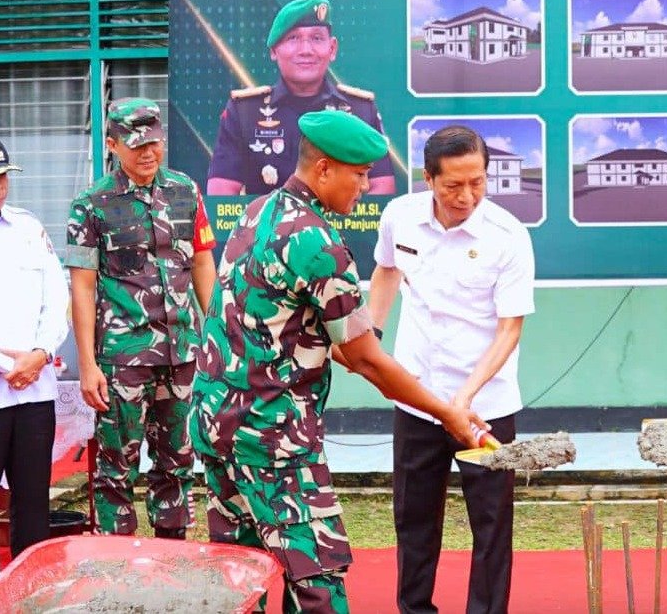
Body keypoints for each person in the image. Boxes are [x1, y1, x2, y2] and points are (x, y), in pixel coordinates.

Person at [191, 110, 485, 614]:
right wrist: (446, 413)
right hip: (273, 437)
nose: (366, 187)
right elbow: (365, 359)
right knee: (318, 582)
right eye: (359, 174)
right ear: (324, 168)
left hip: (216, 423)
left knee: (241, 576)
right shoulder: (318, 243)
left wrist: (369, 355)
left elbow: (326, 339)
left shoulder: (258, 210)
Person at [368, 125, 535, 614]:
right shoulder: (399, 216)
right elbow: (386, 270)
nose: (467, 196)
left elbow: (509, 330)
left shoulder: (508, 235)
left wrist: (464, 399)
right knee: (413, 518)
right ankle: (415, 608)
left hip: (486, 407)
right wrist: (370, 336)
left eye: (478, 182)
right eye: (453, 186)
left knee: (491, 524)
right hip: (417, 397)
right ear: (428, 179)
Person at [66, 98, 216, 538]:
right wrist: (88, 365)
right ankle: (116, 563)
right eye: (136, 145)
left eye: (154, 143)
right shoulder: (91, 205)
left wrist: (215, 337)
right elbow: (82, 287)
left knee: (178, 463)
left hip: (182, 354)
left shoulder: (185, 191)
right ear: (113, 145)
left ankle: (172, 555)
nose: (149, 153)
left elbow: (202, 263)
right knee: (116, 469)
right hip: (123, 358)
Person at [207, 0, 396, 196]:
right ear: (274, 50)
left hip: (343, 218)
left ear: (332, 48)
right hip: (268, 217)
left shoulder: (359, 110)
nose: (306, 50)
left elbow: (382, 187)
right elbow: (221, 192)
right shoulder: (245, 111)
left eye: (316, 38)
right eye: (293, 38)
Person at [0, 134, 68, 582]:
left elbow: (56, 299)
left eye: (2, 176)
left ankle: (30, 590)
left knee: (34, 504)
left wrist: (41, 353)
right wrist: (7, 366)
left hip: (34, 392)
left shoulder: (29, 227)